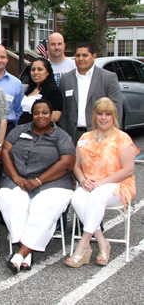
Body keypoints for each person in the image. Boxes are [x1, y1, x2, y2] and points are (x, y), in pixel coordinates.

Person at [0, 99, 75, 275]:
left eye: (45, 112)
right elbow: (5, 151)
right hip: (18, 180)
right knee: (10, 202)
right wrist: (16, 177)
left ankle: (20, 254)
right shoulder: (20, 130)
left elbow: (68, 162)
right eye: (37, 113)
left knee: (43, 208)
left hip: (53, 183)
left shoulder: (61, 136)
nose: (40, 116)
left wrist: (39, 180)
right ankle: (27, 252)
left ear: (51, 115)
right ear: (32, 115)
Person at [65, 98, 139, 268]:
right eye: (100, 114)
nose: (104, 118)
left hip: (118, 185)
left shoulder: (123, 138)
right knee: (76, 198)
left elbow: (128, 170)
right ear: (94, 116)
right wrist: (83, 180)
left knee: (96, 197)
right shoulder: (85, 137)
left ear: (114, 116)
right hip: (90, 184)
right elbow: (76, 165)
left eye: (108, 114)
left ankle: (83, 245)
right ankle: (102, 242)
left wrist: (100, 183)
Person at [59, 42, 123, 144]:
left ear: (94, 56)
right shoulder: (66, 79)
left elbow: (117, 109)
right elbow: (62, 110)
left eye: (85, 55)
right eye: (77, 55)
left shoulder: (108, 78)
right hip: (72, 137)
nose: (81, 58)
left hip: (100, 135)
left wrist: (112, 135)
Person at [19, 57, 63, 124]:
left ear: (47, 72)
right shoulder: (28, 89)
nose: (36, 72)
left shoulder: (54, 91)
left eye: (40, 69)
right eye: (33, 70)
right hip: (22, 129)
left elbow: (55, 117)